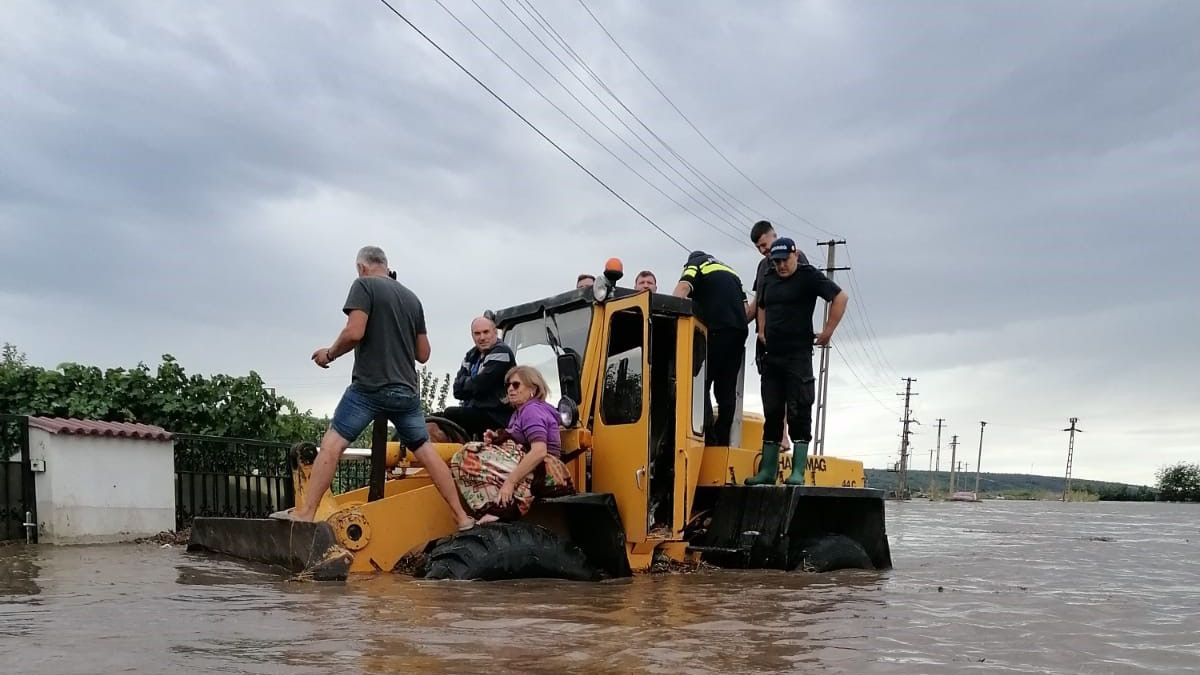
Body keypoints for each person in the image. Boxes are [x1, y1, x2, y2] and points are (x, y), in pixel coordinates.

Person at [281, 246, 475, 530]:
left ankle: (306, 514)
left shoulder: (364, 285)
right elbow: (423, 354)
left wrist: (329, 354)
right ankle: (462, 516)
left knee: (332, 445)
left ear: (362, 267)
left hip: (369, 388)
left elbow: (354, 332)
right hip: (406, 391)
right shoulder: (412, 298)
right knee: (427, 452)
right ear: (386, 265)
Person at [745, 238, 848, 486]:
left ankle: (798, 471)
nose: (781, 266)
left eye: (785, 260)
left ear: (795, 255)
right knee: (772, 411)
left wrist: (828, 331)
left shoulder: (807, 276)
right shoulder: (769, 277)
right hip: (772, 355)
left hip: (798, 356)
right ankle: (767, 471)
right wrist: (761, 329)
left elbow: (840, 297)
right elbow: (761, 304)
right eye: (776, 262)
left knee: (799, 409)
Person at [450, 365, 575, 522]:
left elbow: (539, 451)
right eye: (508, 385)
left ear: (533, 389)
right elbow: (519, 439)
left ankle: (503, 506)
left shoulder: (532, 410)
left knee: (468, 453)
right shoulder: (519, 413)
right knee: (471, 453)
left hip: (544, 471)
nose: (510, 389)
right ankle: (499, 505)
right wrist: (498, 437)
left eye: (516, 385)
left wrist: (509, 483)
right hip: (537, 468)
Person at [672, 251, 748, 447]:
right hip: (738, 332)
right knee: (726, 390)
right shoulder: (731, 272)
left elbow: (683, 288)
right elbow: (747, 310)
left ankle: (707, 438)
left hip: (715, 330)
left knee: (700, 383)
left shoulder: (696, 263)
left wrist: (672, 315)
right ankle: (722, 443)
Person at [746, 220, 810, 451]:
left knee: (793, 390)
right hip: (766, 338)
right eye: (759, 247)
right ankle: (779, 437)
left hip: (790, 338)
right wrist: (738, 320)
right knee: (772, 392)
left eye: (764, 244)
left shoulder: (796, 258)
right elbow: (759, 302)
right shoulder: (763, 266)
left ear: (774, 236)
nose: (763, 250)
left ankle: (790, 438)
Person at [439, 316, 515, 440]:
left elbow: (481, 385)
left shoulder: (502, 352)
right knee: (433, 418)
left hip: (498, 415)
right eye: (477, 333)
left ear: (495, 332)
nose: (482, 337)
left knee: (450, 413)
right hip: (476, 410)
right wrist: (472, 384)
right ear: (472, 336)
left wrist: (467, 383)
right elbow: (457, 390)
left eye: (486, 332)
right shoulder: (471, 355)